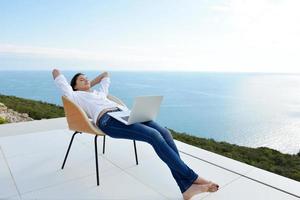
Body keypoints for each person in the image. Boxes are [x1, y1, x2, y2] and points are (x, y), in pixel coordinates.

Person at [52, 68, 219, 200]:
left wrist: (88, 83)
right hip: (108, 120)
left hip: (124, 114)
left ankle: (186, 187)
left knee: (165, 132)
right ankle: (191, 178)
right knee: (154, 136)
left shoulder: (98, 93)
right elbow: (56, 72)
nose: (86, 79)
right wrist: (80, 86)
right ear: (74, 86)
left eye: (86, 77)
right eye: (82, 79)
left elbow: (105, 75)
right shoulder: (74, 95)